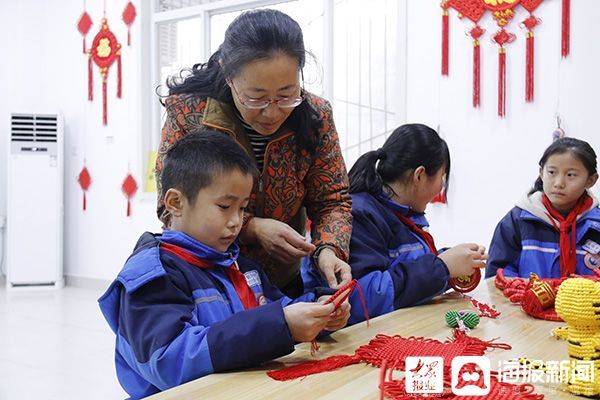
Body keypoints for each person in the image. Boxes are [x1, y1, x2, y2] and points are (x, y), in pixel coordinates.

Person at [99, 131, 350, 399]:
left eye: (242, 208)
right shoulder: (153, 275)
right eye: (224, 206)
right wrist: (281, 325)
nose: (236, 222)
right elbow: (168, 362)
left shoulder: (241, 265)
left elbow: (277, 309)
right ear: (175, 202)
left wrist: (318, 314)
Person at [156, 9, 352, 297]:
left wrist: (329, 249)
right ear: (228, 75)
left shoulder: (315, 117)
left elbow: (332, 199)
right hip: (208, 279)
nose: (272, 112)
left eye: (286, 95)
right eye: (256, 98)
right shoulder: (190, 114)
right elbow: (169, 206)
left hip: (281, 281)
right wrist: (251, 227)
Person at [304, 124, 488, 324]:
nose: (441, 186)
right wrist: (442, 267)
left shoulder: (401, 213)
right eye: (441, 177)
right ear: (419, 175)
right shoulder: (361, 214)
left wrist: (450, 261)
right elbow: (360, 300)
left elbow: (406, 269)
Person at [486, 137, 600, 279]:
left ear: (591, 180)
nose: (559, 183)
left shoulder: (596, 224)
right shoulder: (518, 220)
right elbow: (497, 274)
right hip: (522, 301)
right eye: (552, 172)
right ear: (541, 172)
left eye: (571, 175)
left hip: (587, 302)